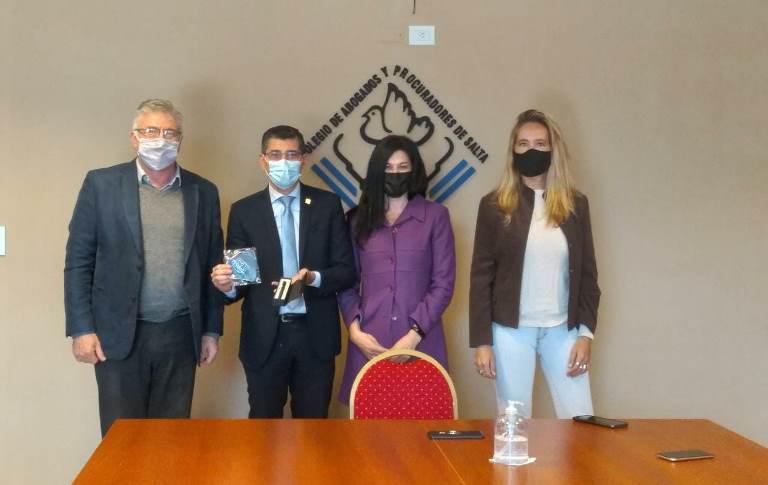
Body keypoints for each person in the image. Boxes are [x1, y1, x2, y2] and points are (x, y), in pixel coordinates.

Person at [65, 99, 224, 436]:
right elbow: (78, 261)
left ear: (180, 140)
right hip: (118, 335)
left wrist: (211, 330)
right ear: (134, 138)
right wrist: (81, 329)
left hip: (180, 334)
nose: (160, 140)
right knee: (121, 438)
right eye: (150, 131)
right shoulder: (101, 185)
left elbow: (213, 264)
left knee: (171, 438)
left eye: (169, 133)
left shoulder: (204, 191)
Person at [210, 125, 355, 418]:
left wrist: (313, 278)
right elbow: (242, 281)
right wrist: (227, 286)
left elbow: (346, 271)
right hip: (265, 336)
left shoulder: (327, 205)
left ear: (303, 160)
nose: (283, 162)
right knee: (263, 426)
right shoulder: (245, 211)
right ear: (263, 160)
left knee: (313, 428)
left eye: (291, 155)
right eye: (275, 155)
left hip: (315, 335)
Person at [470, 109, 601, 418]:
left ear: (553, 150)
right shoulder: (493, 206)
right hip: (510, 331)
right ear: (513, 151)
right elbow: (480, 278)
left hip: (563, 330)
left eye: (540, 144)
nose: (531, 151)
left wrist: (585, 335)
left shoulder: (576, 205)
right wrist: (482, 342)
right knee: (514, 423)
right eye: (523, 144)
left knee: (581, 418)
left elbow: (588, 275)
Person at [337, 135, 456, 404]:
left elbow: (443, 284)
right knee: (369, 425)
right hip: (369, 342)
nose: (395, 174)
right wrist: (354, 332)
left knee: (422, 422)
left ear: (414, 171)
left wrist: (413, 336)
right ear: (376, 172)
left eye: (403, 167)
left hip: (422, 341)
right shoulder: (356, 219)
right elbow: (346, 283)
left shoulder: (436, 216)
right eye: (388, 168)